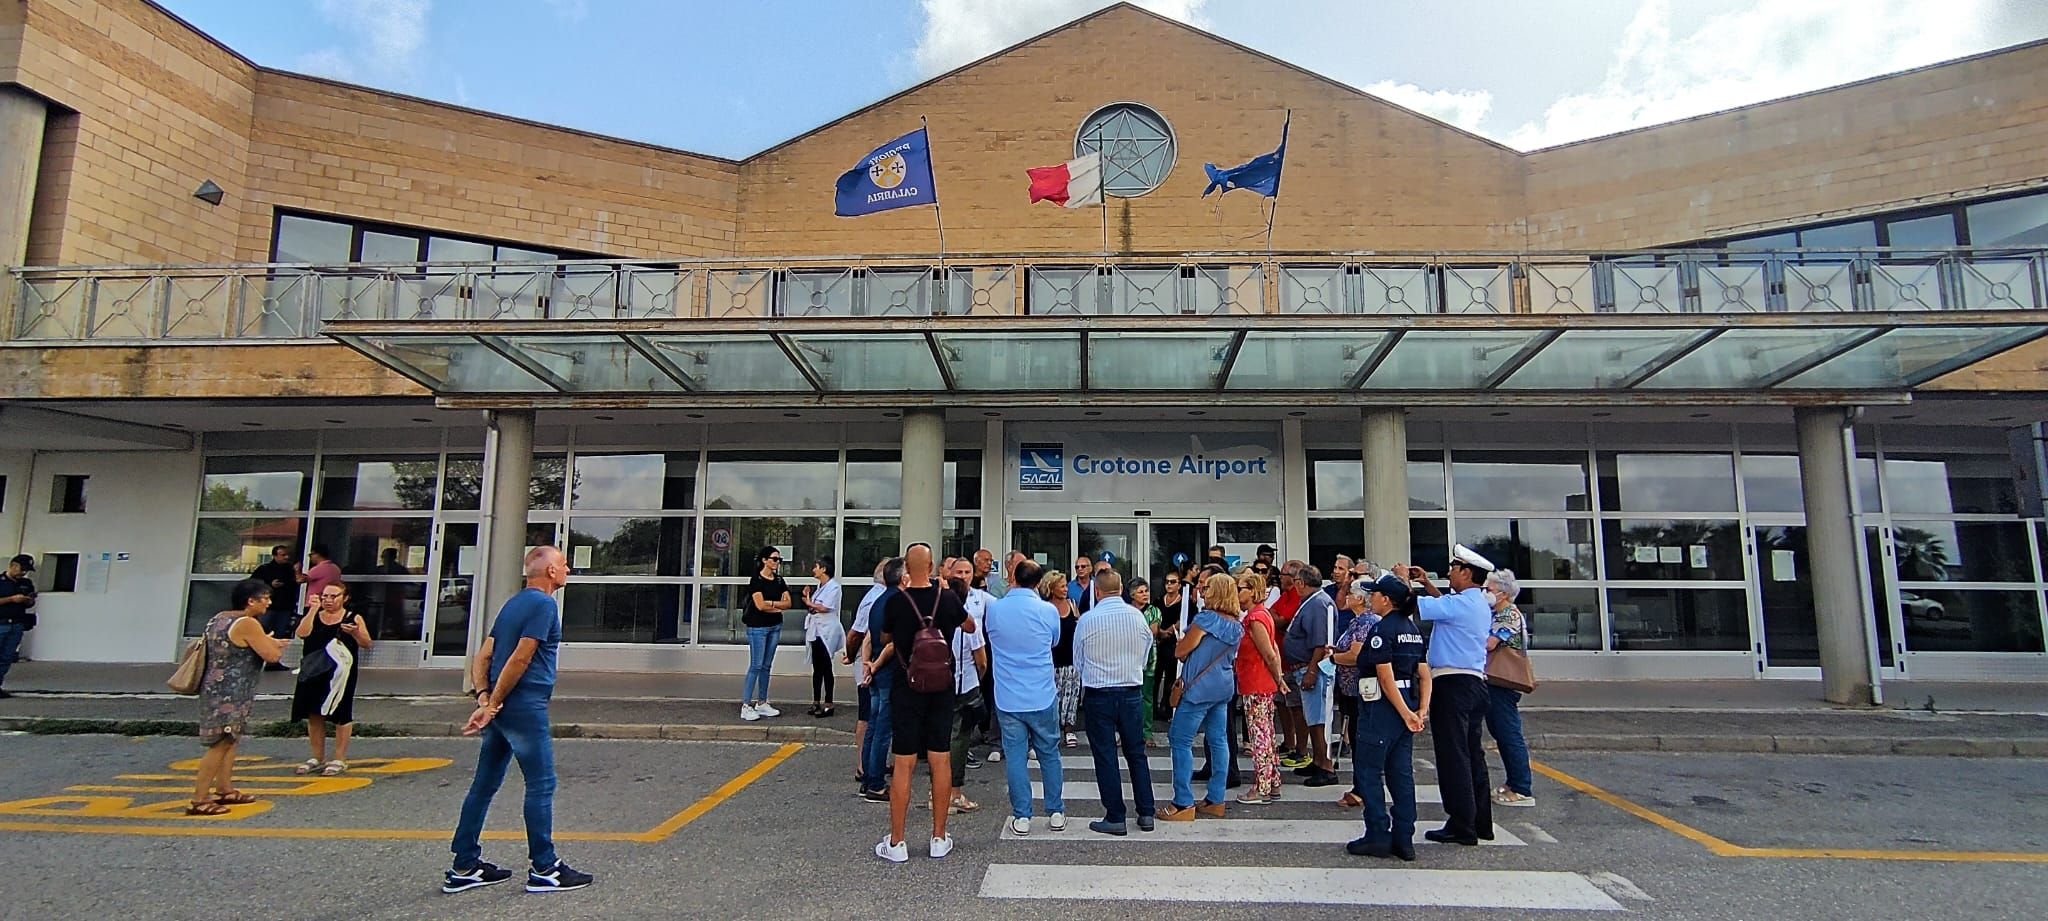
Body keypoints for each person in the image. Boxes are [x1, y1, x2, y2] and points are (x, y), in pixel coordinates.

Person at [446, 546, 593, 894]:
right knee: (541, 784)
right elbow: (520, 658)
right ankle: (545, 868)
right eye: (563, 564)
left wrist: (484, 699)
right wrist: (493, 703)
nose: (568, 570)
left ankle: (464, 865)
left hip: (502, 709)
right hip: (524, 707)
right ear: (551, 572)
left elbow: (483, 656)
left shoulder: (513, 604)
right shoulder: (544, 605)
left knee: (484, 784)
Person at [871, 543, 973, 862]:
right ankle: (939, 837)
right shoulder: (947, 598)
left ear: (906, 568)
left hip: (907, 685)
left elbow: (885, 637)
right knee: (940, 758)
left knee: (904, 762)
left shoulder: (896, 601)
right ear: (931, 567)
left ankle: (897, 842)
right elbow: (969, 625)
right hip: (942, 686)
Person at [1410, 545, 1497, 847]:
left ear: (1467, 573)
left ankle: (1461, 823)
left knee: (1453, 756)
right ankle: (1480, 821)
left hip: (1453, 684)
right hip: (1473, 683)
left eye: (1454, 568)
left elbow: (1416, 605)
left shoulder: (1461, 604)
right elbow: (1444, 605)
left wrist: (1402, 580)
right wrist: (1426, 582)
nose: (1449, 573)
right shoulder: (1475, 602)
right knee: (1472, 754)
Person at [1342, 574, 1430, 861]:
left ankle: (1378, 835)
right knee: (1400, 774)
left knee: (1368, 772)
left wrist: (1405, 712)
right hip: (1407, 703)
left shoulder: (1383, 629)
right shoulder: (1412, 629)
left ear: (1387, 600)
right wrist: (1420, 710)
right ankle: (1404, 838)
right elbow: (1424, 674)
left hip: (1382, 706)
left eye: (1376, 594)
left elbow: (1384, 675)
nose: (1372, 599)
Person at [188, 578, 287, 816]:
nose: (268, 603)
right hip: (231, 693)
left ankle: (225, 788)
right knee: (220, 743)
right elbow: (271, 656)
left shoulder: (219, 618)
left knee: (230, 739)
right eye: (265, 598)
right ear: (250, 601)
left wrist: (265, 640)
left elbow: (238, 644)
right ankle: (199, 799)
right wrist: (275, 644)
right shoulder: (248, 623)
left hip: (215, 688)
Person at [983, 560, 1065, 836]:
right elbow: (1054, 641)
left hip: (1008, 695)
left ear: (1013, 578)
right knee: (1049, 753)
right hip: (1041, 692)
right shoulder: (1047, 610)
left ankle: (1022, 815)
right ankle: (1055, 811)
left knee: (1016, 757)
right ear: (1039, 583)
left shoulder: (995, 609)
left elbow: (991, 639)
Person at [1073, 568, 1156, 835]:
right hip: (1131, 691)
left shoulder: (1087, 620)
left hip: (1099, 693)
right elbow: (1145, 654)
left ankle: (1115, 815)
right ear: (1121, 589)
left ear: (1097, 592)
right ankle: (1146, 812)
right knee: (1136, 752)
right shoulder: (1138, 617)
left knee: (1105, 755)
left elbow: (1078, 661)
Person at [1162, 573, 1244, 821]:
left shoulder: (1205, 620)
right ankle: (1216, 798)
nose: (1203, 591)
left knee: (1180, 740)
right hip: (1223, 686)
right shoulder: (1237, 625)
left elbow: (1181, 651)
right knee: (1219, 740)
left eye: (1207, 587)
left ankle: (1183, 801)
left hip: (1198, 689)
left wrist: (1184, 642)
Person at [291, 580, 370, 776]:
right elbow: (302, 633)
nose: (328, 600)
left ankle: (340, 758)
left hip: (340, 674)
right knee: (314, 713)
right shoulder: (314, 615)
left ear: (345, 598)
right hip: (313, 670)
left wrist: (355, 632)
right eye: (325, 596)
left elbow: (367, 643)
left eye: (334, 596)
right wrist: (312, 610)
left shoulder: (353, 617)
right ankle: (317, 757)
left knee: (342, 713)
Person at [848, 557, 905, 801]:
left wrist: (867, 665)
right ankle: (876, 785)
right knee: (883, 728)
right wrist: (876, 664)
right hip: (888, 671)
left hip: (875, 671)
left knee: (873, 725)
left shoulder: (878, 600)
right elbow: (892, 643)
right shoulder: (897, 602)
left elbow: (868, 638)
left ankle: (868, 776)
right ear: (902, 578)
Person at [1284, 563, 1342, 788]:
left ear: (1301, 583)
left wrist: (1312, 670)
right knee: (1312, 717)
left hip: (1313, 669)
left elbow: (1321, 643)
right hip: (1304, 667)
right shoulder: (1311, 601)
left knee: (1319, 719)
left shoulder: (1319, 603)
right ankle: (1318, 760)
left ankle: (1326, 766)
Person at [1232, 571, 1287, 805]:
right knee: (1267, 733)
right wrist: (1278, 677)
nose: (1237, 593)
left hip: (1256, 681)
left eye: (1240, 588)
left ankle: (1262, 786)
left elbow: (1269, 652)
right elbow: (1273, 650)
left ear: (1252, 591)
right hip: (1260, 681)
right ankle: (1272, 782)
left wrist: (1278, 677)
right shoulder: (1261, 614)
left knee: (1260, 736)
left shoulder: (1254, 618)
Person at [1484, 568, 1536, 808]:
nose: (1486, 593)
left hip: (1503, 682)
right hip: (1494, 680)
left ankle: (1521, 787)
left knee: (1508, 733)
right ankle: (1513, 781)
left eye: (1489, 589)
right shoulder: (1496, 613)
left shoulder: (1509, 616)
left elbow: (1490, 643)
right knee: (1500, 731)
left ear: (1504, 593)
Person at [943, 558, 989, 814]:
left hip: (937, 682)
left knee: (941, 738)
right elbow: (981, 660)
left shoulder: (934, 612)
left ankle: (937, 789)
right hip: (964, 683)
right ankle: (954, 793)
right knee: (960, 739)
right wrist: (979, 679)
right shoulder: (968, 620)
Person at [1331, 578, 1381, 808]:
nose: (1347, 596)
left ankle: (1362, 789)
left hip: (1360, 689)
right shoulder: (1357, 620)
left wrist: (1333, 658)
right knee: (1356, 736)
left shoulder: (1366, 622)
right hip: (1352, 689)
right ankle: (1361, 786)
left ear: (1361, 598)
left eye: (1351, 593)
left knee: (1360, 740)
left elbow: (1355, 656)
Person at [741, 546, 793, 722]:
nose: (777, 562)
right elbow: (760, 605)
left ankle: (762, 702)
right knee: (756, 665)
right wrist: (776, 605)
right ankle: (746, 705)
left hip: (774, 626)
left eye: (779, 559)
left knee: (766, 665)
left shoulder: (778, 580)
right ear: (764, 560)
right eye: (774, 559)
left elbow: (788, 603)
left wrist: (771, 604)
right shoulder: (756, 580)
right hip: (758, 627)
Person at [1270, 560, 1307, 765]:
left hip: (1292, 661)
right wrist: (1274, 616)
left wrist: (1274, 616)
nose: (1280, 577)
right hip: (1280, 661)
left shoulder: (1297, 597)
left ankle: (1301, 748)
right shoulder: (1284, 595)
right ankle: (1289, 742)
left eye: (1283, 574)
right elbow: (1271, 614)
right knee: (1282, 703)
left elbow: (1281, 620)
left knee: (1296, 707)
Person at [1151, 570, 1192, 724]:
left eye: (1173, 582)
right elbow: (1153, 618)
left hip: (1174, 644)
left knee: (1170, 678)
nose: (1169, 585)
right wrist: (1160, 632)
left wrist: (1169, 631)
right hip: (1158, 643)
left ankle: (1168, 708)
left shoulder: (1185, 603)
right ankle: (1153, 709)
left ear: (1179, 585)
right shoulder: (1158, 601)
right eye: (1167, 582)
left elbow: (1185, 620)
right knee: (1155, 677)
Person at [1126, 577, 1163, 746]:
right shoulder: (1126, 610)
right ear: (1132, 595)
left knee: (1146, 697)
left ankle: (1147, 731)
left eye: (1146, 591)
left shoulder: (1154, 611)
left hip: (1149, 659)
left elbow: (1153, 632)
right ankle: (1127, 731)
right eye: (1140, 592)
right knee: (1128, 698)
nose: (1145, 594)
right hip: (1129, 658)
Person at [1050, 567, 1083, 749]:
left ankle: (1069, 729)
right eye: (1061, 586)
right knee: (1054, 696)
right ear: (1051, 588)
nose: (1065, 589)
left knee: (1071, 695)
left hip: (1071, 659)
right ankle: (1053, 729)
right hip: (1052, 659)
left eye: (1066, 586)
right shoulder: (1046, 607)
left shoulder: (1072, 604)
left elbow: (1078, 625)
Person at [251, 545, 300, 663]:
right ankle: (259, 659)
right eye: (283, 555)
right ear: (275, 556)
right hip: (268, 608)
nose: (286, 557)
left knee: (280, 634)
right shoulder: (265, 569)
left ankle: (276, 661)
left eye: (287, 555)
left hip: (285, 606)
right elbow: (253, 583)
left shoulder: (290, 570)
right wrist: (269, 584)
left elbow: (294, 585)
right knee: (263, 632)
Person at [0, 554, 39, 698]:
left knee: (6, 657)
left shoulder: (26, 583)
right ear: (13, 566)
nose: (23, 573)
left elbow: (30, 602)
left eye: (26, 570)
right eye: (22, 569)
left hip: (17, 624)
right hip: (1, 623)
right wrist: (11, 599)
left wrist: (29, 600)